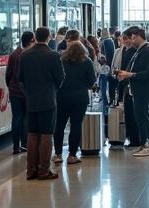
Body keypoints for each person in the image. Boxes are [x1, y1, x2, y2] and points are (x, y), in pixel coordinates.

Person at [18, 26, 65, 180]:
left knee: (32, 135)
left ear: (35, 37)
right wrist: (53, 91)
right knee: (46, 135)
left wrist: (28, 94)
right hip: (48, 100)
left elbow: (20, 79)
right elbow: (60, 78)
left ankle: (30, 170)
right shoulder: (52, 55)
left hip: (31, 100)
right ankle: (44, 170)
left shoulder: (25, 55)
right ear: (49, 37)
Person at [116, 26, 149, 157]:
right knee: (141, 116)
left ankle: (146, 144)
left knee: (142, 116)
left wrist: (131, 75)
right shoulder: (139, 51)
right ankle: (146, 143)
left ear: (140, 37)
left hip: (143, 89)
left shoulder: (147, 52)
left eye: (134, 38)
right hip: (137, 89)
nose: (132, 40)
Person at [54, 39, 97, 166]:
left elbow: (57, 78)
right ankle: (72, 155)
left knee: (59, 125)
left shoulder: (62, 61)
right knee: (76, 125)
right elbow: (92, 81)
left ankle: (58, 154)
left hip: (62, 97)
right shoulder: (87, 62)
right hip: (80, 98)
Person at [5, 30, 33, 155]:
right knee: (26, 118)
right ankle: (25, 144)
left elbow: (8, 74)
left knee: (16, 118)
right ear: (31, 40)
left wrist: (11, 87)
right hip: (27, 92)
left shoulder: (14, 54)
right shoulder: (30, 54)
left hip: (14, 91)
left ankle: (15, 146)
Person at [99, 29, 117, 108]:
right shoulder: (111, 41)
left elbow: (104, 55)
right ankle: (111, 100)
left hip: (105, 66)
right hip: (110, 65)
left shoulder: (104, 41)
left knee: (104, 84)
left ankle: (106, 102)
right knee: (110, 84)